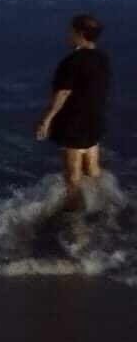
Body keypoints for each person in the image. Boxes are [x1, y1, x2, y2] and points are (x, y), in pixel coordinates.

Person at [37, 14, 110, 209]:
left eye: (70, 31)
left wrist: (46, 120)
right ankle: (102, 206)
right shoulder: (102, 58)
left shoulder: (72, 62)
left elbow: (63, 93)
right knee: (93, 170)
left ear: (80, 34)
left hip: (74, 123)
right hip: (95, 120)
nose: (67, 35)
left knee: (73, 177)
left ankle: (76, 221)